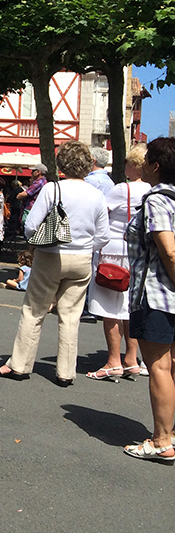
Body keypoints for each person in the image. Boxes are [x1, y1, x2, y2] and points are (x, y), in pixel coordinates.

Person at [0, 141, 109, 385]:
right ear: (88, 165)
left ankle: (20, 365)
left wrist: (40, 244)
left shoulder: (52, 189)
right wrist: (86, 248)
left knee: (34, 309)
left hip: (52, 255)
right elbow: (103, 235)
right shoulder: (97, 194)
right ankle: (66, 372)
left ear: (61, 165)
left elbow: (31, 225)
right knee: (70, 315)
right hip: (82, 259)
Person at [123, 137, 175, 463]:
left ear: (155, 166)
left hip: (156, 293)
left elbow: (168, 249)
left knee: (158, 366)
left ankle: (161, 439)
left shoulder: (157, 199)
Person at [85, 144, 151, 382]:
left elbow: (100, 213)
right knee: (130, 308)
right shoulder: (153, 189)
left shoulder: (123, 189)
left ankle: (113, 360)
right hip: (138, 254)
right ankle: (131, 359)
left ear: (134, 166)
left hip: (113, 251)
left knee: (109, 309)